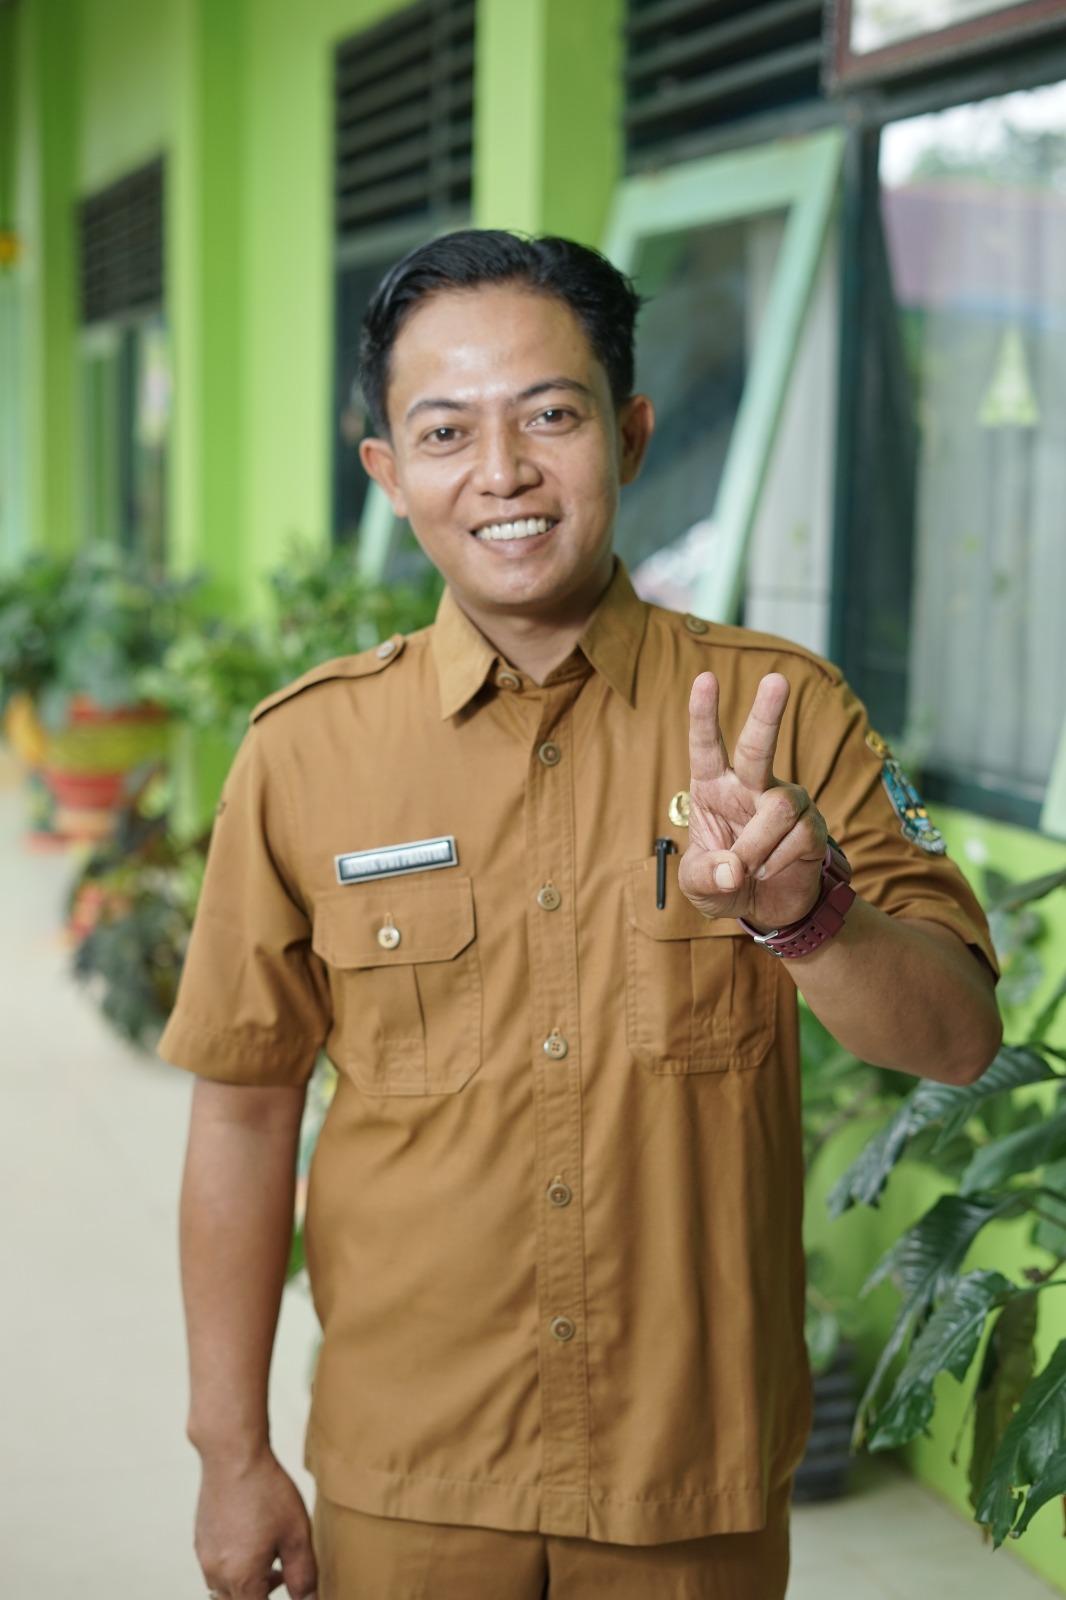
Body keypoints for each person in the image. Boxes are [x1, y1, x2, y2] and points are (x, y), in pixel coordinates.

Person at [160, 230, 1002, 1600]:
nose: (501, 473)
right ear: (387, 472)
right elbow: (244, 1114)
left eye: (549, 416)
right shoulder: (304, 753)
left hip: (687, 1473)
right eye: (445, 431)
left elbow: (959, 1040)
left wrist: (808, 919)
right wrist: (229, 1449)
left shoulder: (783, 712)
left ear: (630, 434)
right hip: (411, 1471)